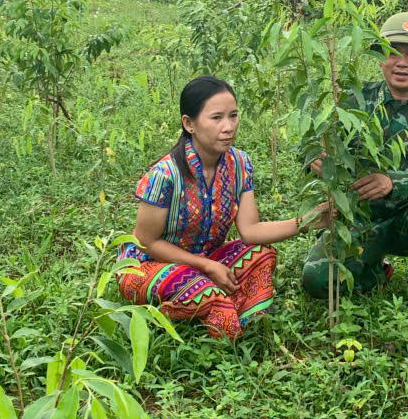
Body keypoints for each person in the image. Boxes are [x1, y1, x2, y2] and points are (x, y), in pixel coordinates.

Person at [118, 75, 329, 340]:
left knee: (261, 254)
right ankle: (208, 305)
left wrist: (306, 221)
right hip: (149, 266)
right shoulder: (166, 175)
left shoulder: (240, 163)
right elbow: (145, 242)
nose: (228, 127)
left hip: (207, 261)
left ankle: (205, 302)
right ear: (189, 124)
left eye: (233, 116)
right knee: (214, 301)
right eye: (216, 118)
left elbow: (250, 232)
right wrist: (205, 266)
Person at [301, 12, 408, 315]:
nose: (402, 62)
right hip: (358, 221)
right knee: (316, 281)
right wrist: (316, 159)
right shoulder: (353, 99)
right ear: (379, 58)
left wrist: (392, 181)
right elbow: (311, 143)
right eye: (392, 53)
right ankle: (375, 271)